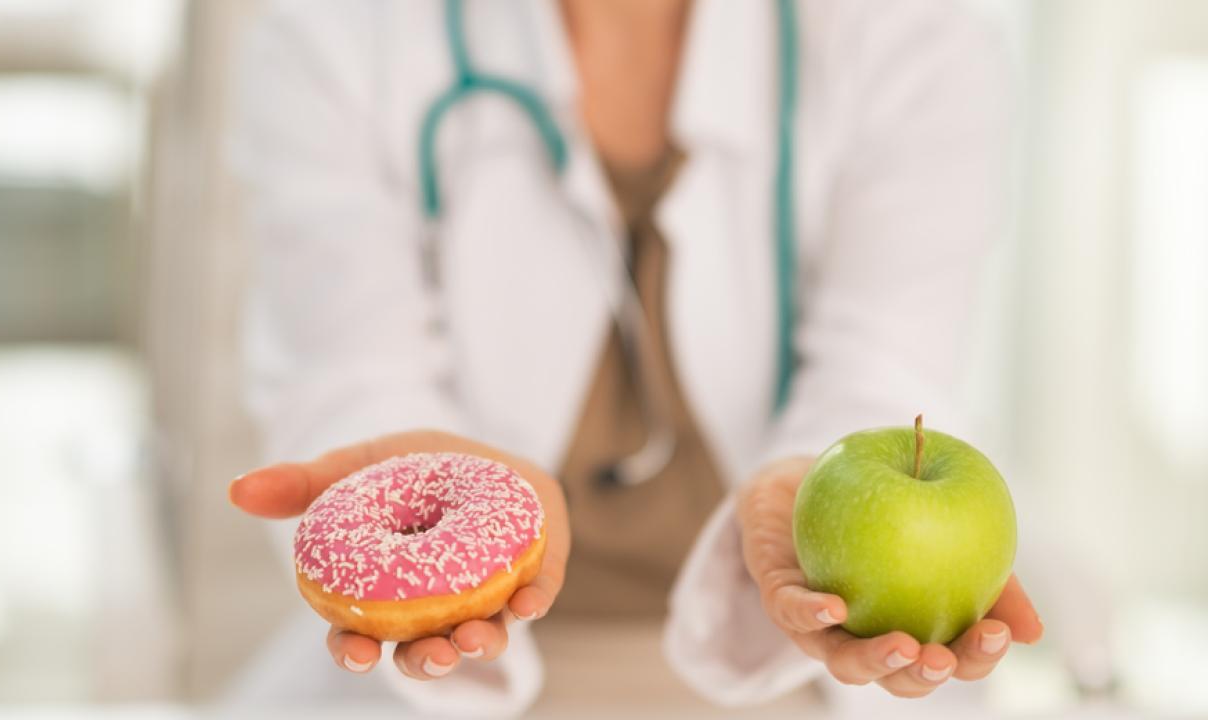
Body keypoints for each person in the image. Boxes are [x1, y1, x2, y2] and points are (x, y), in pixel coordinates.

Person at [226, 0, 1044, 715]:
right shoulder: (332, 40)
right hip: (455, 682)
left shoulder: (917, 46)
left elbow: (884, 373)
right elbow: (352, 372)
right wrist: (422, 487)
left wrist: (817, 515)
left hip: (782, 670)